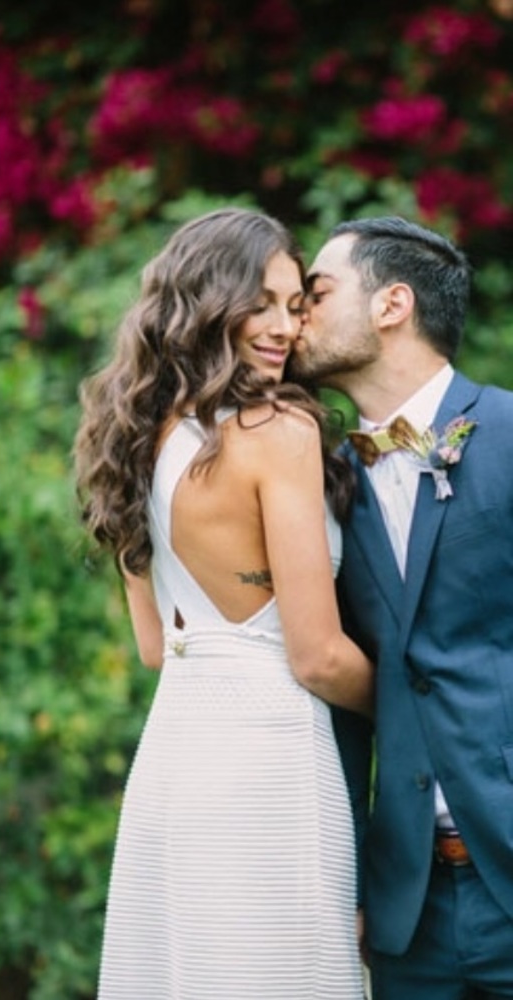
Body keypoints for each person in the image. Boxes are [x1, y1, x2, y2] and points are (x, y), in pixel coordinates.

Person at [74, 207, 373, 999]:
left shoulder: (132, 434)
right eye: (262, 304)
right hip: (271, 759)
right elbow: (317, 654)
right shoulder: (277, 433)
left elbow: (152, 647)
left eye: (294, 303)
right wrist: (417, 699)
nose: (285, 327)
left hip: (178, 755)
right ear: (209, 303)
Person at [293, 215, 513, 999]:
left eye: (315, 294)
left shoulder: (512, 434)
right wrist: (350, 881)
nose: (296, 317)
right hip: (406, 911)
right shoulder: (322, 489)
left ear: (392, 304)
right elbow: (344, 703)